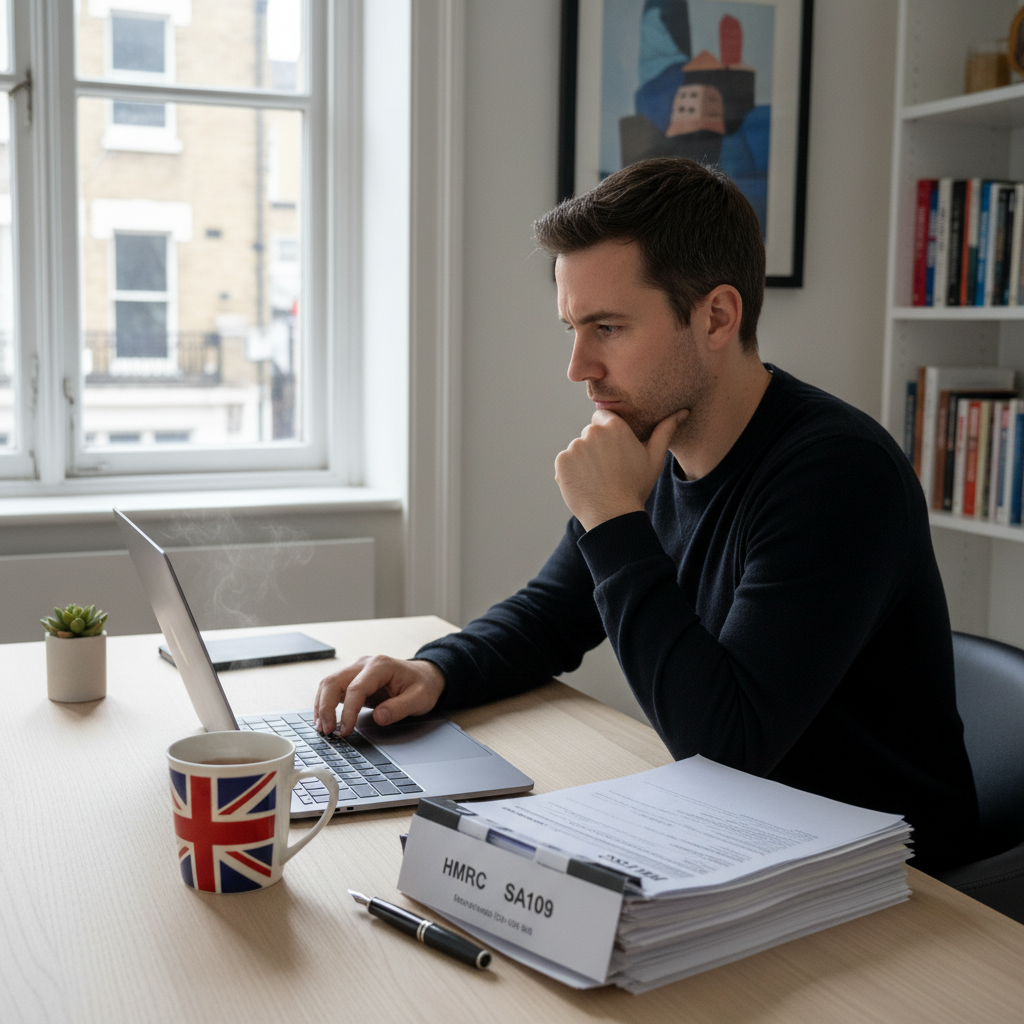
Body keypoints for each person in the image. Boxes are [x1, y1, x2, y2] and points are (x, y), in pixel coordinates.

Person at [314, 157, 978, 873]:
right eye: (572, 326)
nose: (578, 366)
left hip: (890, 878)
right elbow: (551, 614)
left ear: (717, 316)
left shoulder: (838, 474)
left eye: (608, 327)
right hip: (750, 839)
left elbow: (726, 746)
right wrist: (436, 669)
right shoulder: (652, 444)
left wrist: (611, 518)